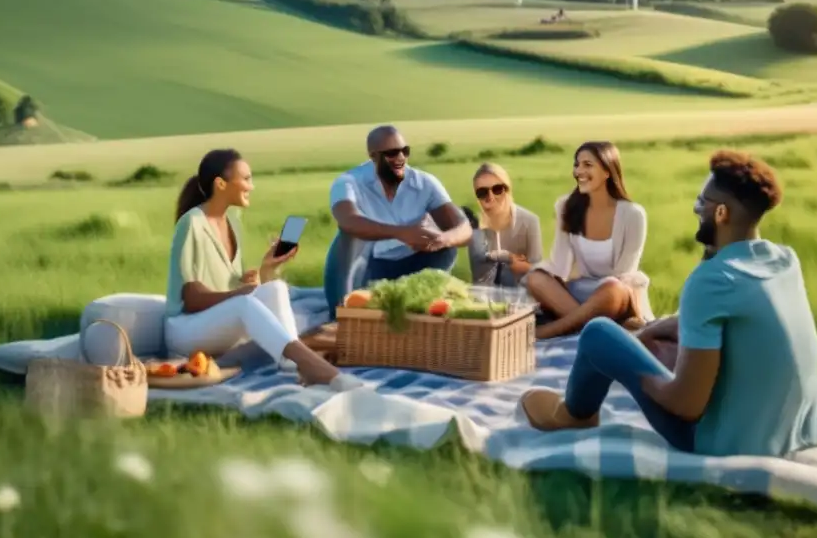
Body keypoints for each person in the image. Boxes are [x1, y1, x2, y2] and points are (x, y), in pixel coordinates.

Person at [519, 149, 817, 461]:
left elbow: (686, 404)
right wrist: (652, 333)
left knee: (598, 334)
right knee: (657, 336)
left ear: (721, 214)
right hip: (791, 432)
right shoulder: (784, 260)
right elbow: (728, 318)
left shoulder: (710, 281)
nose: (696, 208)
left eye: (701, 203)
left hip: (720, 443)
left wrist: (628, 368)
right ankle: (629, 353)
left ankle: (574, 415)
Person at [163, 148, 345, 388]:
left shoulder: (233, 223)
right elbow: (192, 298)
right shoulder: (192, 223)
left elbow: (229, 290)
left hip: (216, 323)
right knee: (244, 303)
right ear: (220, 184)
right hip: (185, 329)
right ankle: (310, 364)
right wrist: (241, 293)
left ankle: (290, 363)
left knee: (277, 288)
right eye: (246, 179)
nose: (252, 186)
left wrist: (265, 271)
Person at [323, 125, 473, 313]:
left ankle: (419, 302)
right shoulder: (349, 182)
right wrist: (402, 233)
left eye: (405, 151)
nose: (400, 158)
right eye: (392, 153)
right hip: (369, 269)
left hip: (413, 267)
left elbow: (464, 228)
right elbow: (348, 220)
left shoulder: (425, 183)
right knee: (351, 235)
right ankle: (341, 311)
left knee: (448, 244)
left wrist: (442, 239)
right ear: (373, 156)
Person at [525, 141, 651, 340]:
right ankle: (594, 327)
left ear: (608, 171)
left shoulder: (633, 214)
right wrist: (536, 274)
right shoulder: (566, 206)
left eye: (587, 165)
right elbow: (560, 266)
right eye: (577, 164)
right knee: (535, 278)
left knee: (612, 287)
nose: (579, 171)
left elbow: (624, 274)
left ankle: (550, 331)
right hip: (581, 294)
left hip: (615, 295)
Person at [462, 163, 543, 287]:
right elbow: (479, 277)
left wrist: (525, 267)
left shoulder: (529, 221)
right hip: (484, 297)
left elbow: (539, 272)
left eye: (497, 189)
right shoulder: (475, 228)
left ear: (507, 189)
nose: (491, 197)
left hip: (522, 296)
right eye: (482, 193)